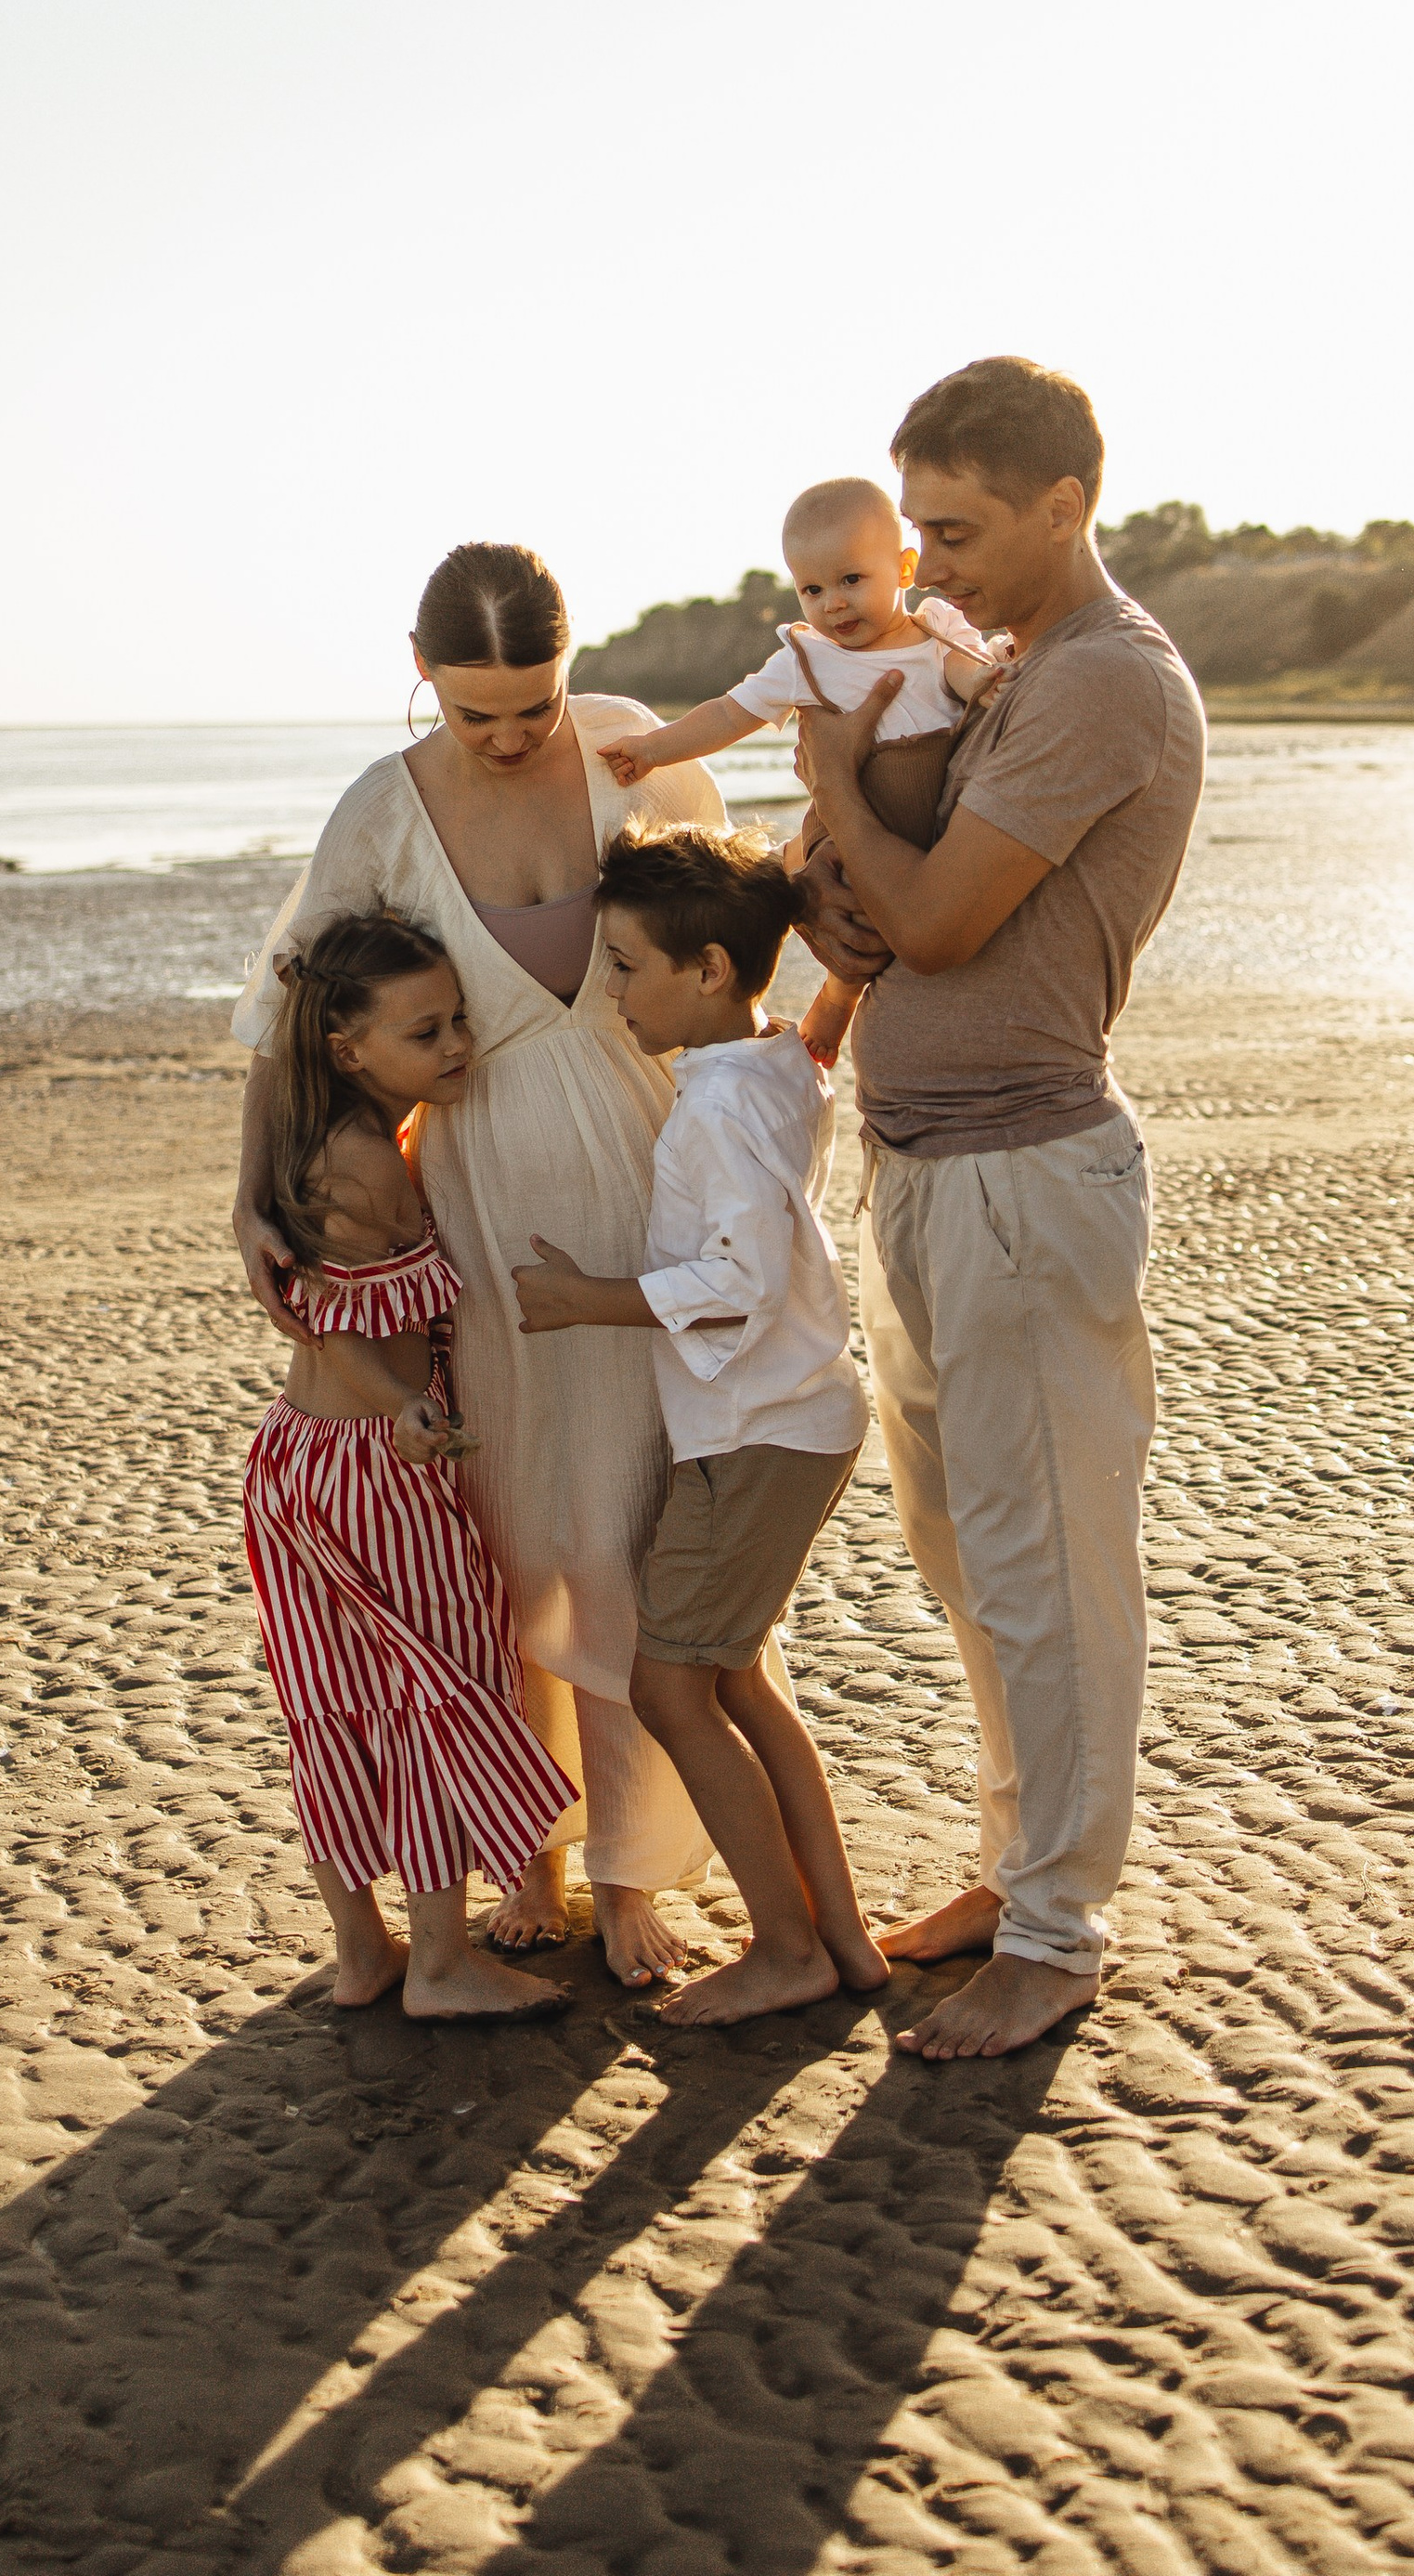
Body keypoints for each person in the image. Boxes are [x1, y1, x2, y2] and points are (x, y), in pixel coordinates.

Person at [231, 540, 733, 1989]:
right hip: (479, 1214)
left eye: (537, 704)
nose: (515, 738)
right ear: (421, 673)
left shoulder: (643, 759)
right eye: (477, 714)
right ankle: (539, 1856)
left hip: (654, 1184)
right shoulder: (380, 812)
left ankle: (639, 1869)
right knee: (508, 1539)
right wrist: (249, 1203)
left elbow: (727, 951)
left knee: (636, 1532)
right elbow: (296, 1019)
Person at [794, 357, 1206, 2061]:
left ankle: (1059, 1930)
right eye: (918, 532)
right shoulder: (1009, 671)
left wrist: (831, 796)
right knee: (971, 1566)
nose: (927, 568)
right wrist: (846, 884)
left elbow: (944, 926)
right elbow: (868, 917)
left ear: (1066, 506)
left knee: (1050, 1576)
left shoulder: (1106, 682)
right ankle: (1014, 1865)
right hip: (923, 1167)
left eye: (955, 532)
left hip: (1028, 1183)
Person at [509, 825, 888, 2028]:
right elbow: (816, 1053)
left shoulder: (716, 1111)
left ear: (712, 972)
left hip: (756, 1430)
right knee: (734, 1684)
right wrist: (839, 987)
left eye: (626, 966)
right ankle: (839, 1932)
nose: (610, 993)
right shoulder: (768, 1064)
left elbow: (740, 1277)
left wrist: (586, 1303)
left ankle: (787, 1948)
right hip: (790, 1420)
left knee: (672, 1690)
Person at [241, 907, 573, 2021]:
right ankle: (438, 1963)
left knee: (332, 1705)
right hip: (371, 1469)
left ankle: (362, 1952)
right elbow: (326, 1316)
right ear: (347, 1048)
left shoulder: (323, 1131)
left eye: (459, 1023)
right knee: (438, 1687)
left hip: (297, 1467)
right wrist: (405, 1412)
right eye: (425, 1034)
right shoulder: (359, 1166)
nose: (457, 1049)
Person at [602, 475, 1003, 1064]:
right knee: (855, 912)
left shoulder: (938, 628)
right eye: (812, 589)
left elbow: (968, 673)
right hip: (850, 822)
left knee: (927, 899)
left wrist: (988, 681)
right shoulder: (807, 657)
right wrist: (656, 748)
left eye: (851, 580)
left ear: (906, 568)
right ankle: (837, 999)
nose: (833, 603)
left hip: (930, 813)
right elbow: (730, 712)